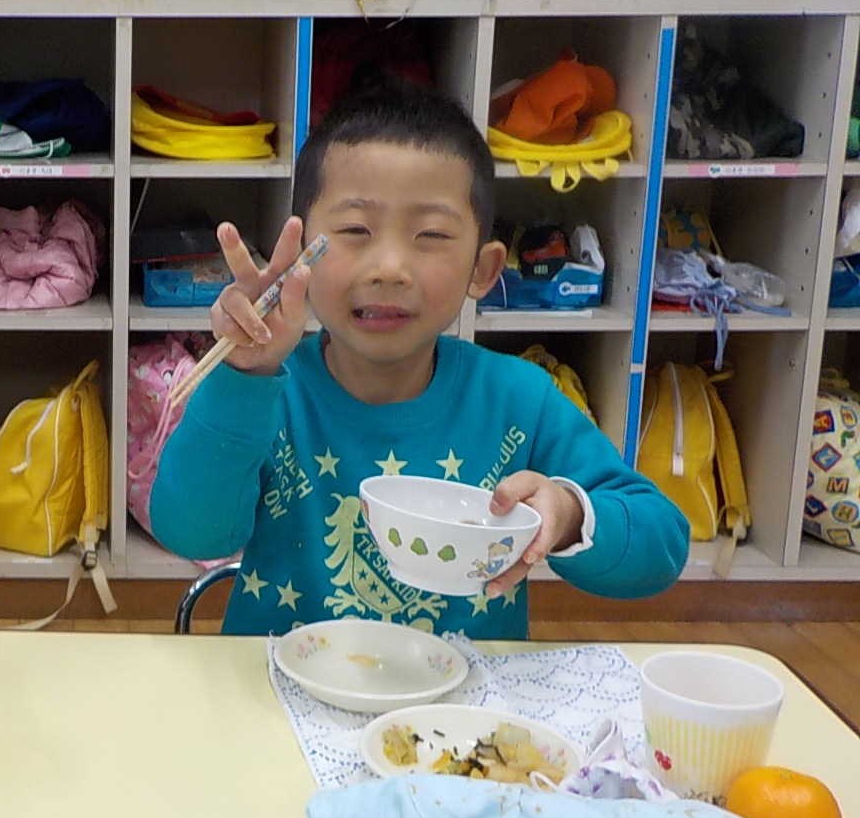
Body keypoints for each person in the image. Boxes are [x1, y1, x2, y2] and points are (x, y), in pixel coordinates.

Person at [150, 75, 688, 636]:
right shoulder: (267, 391)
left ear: (483, 269)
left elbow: (663, 545)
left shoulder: (519, 401)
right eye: (354, 229)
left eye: (430, 234)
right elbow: (191, 532)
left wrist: (570, 514)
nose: (390, 267)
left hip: (465, 693)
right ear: (300, 254)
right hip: (280, 685)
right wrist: (244, 374)